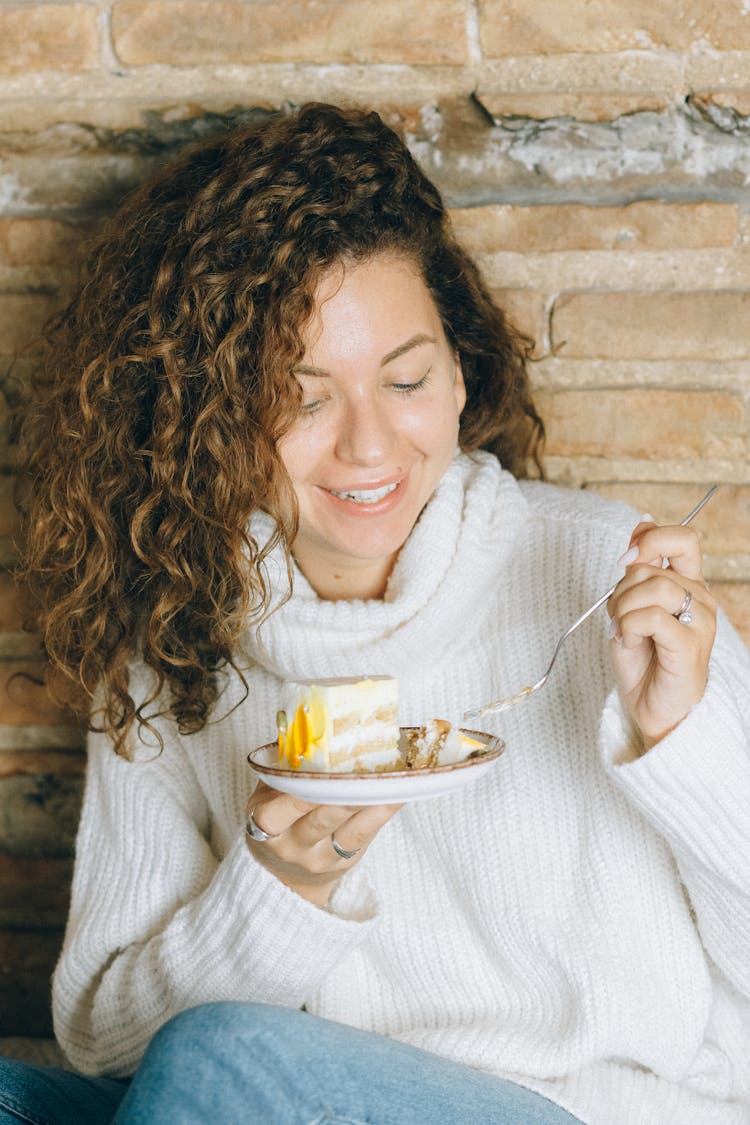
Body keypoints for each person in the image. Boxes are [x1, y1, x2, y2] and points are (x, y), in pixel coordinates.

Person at [2, 102, 748, 1125]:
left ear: (458, 371)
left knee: (226, 1063)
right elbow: (102, 1033)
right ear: (205, 417)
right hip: (297, 1102)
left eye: (405, 379)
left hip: (588, 1111)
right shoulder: (178, 638)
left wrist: (682, 739)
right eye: (302, 398)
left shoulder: (599, 577)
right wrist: (279, 889)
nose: (369, 448)